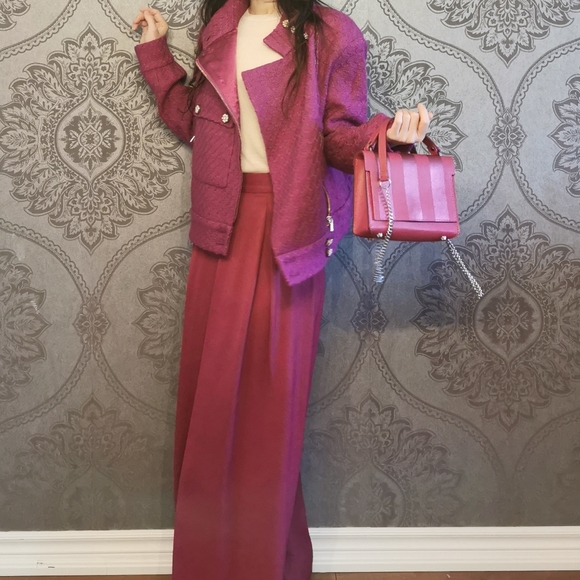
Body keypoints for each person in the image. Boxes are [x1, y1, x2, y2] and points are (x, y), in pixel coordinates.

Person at [132, 1, 431, 579]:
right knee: (208, 405)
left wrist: (386, 136)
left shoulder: (331, 33)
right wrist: (156, 54)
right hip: (219, 228)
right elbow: (194, 121)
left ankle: (266, 563)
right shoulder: (222, 25)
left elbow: (337, 140)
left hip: (288, 230)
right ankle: (207, 564)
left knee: (271, 408)